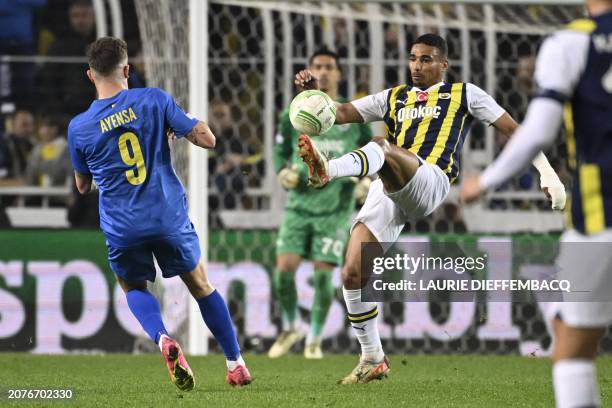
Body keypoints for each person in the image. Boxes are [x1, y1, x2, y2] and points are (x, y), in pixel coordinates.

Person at [295, 34, 566, 384]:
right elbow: (340, 113)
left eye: (426, 59)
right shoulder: (394, 97)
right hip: (388, 184)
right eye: (413, 58)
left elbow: (515, 131)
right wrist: (315, 95)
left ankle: (327, 170)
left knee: (382, 145)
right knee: (351, 273)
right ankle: (372, 357)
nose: (417, 66)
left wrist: (548, 173)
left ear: (443, 64)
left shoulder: (465, 94)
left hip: (430, 179)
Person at [67, 37, 252, 391]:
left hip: (122, 225)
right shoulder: (153, 99)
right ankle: (235, 363)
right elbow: (208, 139)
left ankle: (163, 338)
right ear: (127, 69)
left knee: (133, 286)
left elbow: (81, 186)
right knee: (200, 285)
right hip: (166, 215)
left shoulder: (79, 126)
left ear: (90, 75)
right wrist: (179, 130)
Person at [461, 1, 612, 406]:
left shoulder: (571, 42)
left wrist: (486, 180)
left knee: (572, 346)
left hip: (602, 218)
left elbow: (539, 129)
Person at [268, 49, 372, 359]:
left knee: (324, 274)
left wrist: (366, 181)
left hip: (335, 207)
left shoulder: (353, 116)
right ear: (310, 70)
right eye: (317, 66)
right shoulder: (296, 112)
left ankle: (314, 339)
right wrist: (283, 171)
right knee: (283, 271)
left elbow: (373, 152)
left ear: (339, 73)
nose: (323, 72)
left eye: (329, 67)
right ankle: (290, 327)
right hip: (299, 203)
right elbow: (279, 150)